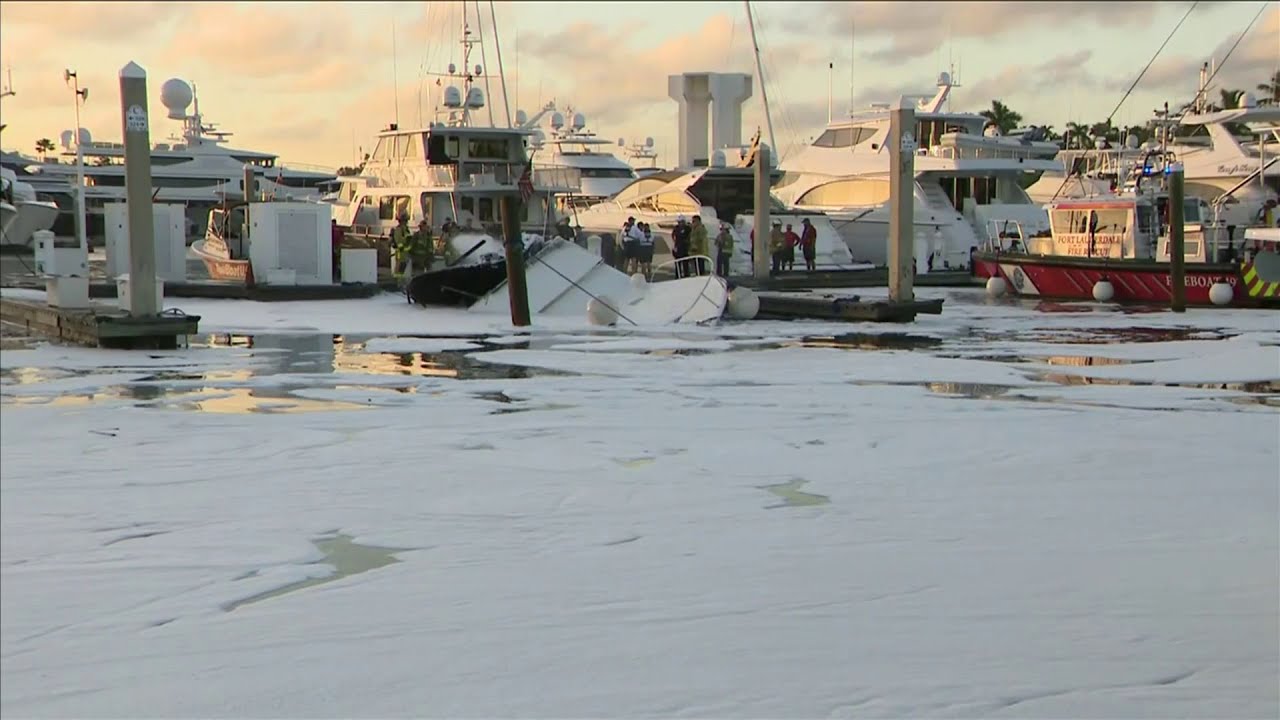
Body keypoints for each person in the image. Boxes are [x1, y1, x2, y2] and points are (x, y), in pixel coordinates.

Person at [391, 213, 414, 279]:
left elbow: (408, 239)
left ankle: (399, 281)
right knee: (398, 267)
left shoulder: (406, 229)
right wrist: (402, 248)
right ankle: (396, 282)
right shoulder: (399, 229)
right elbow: (398, 240)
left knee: (402, 268)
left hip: (405, 253)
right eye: (406, 220)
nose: (407, 222)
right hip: (400, 252)